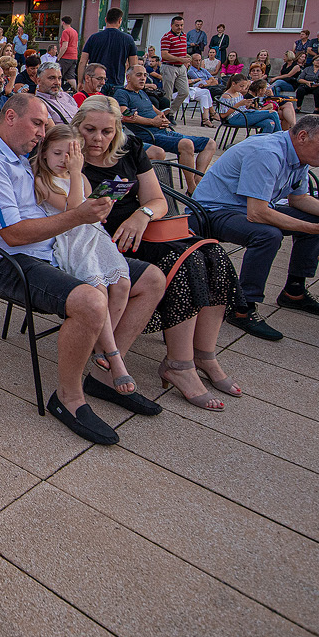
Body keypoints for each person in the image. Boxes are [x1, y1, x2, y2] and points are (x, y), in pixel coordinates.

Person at [0, 94, 163, 443]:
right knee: (90, 302)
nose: (43, 132)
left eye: (46, 125)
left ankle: (103, 373)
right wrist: (77, 216)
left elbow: (58, 195)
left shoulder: (22, 156)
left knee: (152, 280)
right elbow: (13, 234)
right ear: (10, 117)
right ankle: (69, 398)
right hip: (6, 261)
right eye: (37, 123)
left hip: (54, 249)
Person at [76, 98, 243, 408]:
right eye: (89, 130)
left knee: (213, 256)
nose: (98, 139)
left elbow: (157, 199)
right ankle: (180, 365)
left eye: (107, 131)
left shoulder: (130, 148)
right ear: (76, 127)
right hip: (98, 242)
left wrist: (143, 214)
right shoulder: (69, 156)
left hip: (140, 233)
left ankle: (204, 355)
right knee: (184, 263)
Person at [191, 116, 319, 341]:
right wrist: (313, 229)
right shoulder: (267, 153)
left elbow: (299, 199)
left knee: (314, 219)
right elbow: (256, 213)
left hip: (244, 208)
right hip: (211, 212)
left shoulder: (298, 154)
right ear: (303, 136)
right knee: (268, 235)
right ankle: (242, 307)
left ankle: (294, 292)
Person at [31, 124, 136, 388]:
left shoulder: (79, 177)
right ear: (44, 153)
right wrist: (77, 173)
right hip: (69, 239)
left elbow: (93, 213)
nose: (63, 161)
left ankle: (100, 343)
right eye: (57, 153)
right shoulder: (44, 180)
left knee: (122, 283)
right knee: (98, 287)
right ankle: (113, 355)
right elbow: (74, 211)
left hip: (93, 236)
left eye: (71, 156)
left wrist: (107, 201)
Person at [114, 64, 216, 189]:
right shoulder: (122, 93)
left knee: (210, 143)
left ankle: (197, 181)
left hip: (163, 131)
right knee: (187, 144)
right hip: (148, 135)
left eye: (145, 75)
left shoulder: (142, 93)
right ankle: (192, 189)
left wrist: (163, 117)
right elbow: (125, 115)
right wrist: (153, 122)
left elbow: (155, 110)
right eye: (139, 75)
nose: (143, 78)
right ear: (128, 77)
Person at [82, 8, 140, 90]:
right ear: (120, 20)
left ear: (106, 20)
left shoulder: (94, 38)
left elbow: (82, 61)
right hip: (117, 81)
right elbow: (133, 65)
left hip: (94, 81)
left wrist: (81, 81)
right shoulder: (128, 39)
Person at [216, 74, 281, 133]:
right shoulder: (226, 96)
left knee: (269, 123)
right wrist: (239, 104)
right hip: (235, 118)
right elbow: (223, 115)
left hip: (245, 114)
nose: (243, 88)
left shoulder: (238, 94)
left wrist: (247, 105)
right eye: (241, 86)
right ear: (233, 84)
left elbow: (242, 108)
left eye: (245, 86)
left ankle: (260, 143)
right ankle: (281, 137)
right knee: (272, 113)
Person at [158, 16, 190, 119]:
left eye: (181, 25)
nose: (179, 27)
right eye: (177, 25)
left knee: (185, 92)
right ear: (172, 25)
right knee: (168, 94)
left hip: (181, 67)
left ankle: (171, 111)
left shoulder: (184, 35)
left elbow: (181, 51)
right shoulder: (167, 37)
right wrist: (181, 59)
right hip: (169, 66)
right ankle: (166, 115)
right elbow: (164, 55)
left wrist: (186, 58)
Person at [184, 53, 219, 126]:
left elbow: (213, 81)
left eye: (200, 60)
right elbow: (186, 82)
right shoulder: (187, 71)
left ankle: (205, 119)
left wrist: (207, 82)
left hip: (197, 89)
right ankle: (212, 113)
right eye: (187, 62)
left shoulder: (203, 70)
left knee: (205, 96)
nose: (198, 62)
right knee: (207, 91)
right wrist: (197, 80)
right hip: (185, 91)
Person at [57, 15, 79, 84]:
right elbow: (76, 44)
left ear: (63, 22)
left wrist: (59, 57)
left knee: (58, 74)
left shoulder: (66, 32)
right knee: (70, 76)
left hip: (66, 57)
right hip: (74, 56)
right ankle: (75, 90)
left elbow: (65, 46)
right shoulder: (74, 32)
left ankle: (58, 90)